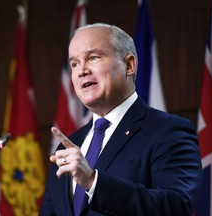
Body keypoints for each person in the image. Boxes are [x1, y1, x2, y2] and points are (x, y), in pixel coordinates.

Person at [40, 23, 202, 216]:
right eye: (74, 63)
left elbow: (177, 206)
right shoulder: (67, 147)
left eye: (93, 57)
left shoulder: (168, 131)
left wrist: (93, 182)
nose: (81, 70)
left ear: (129, 65)